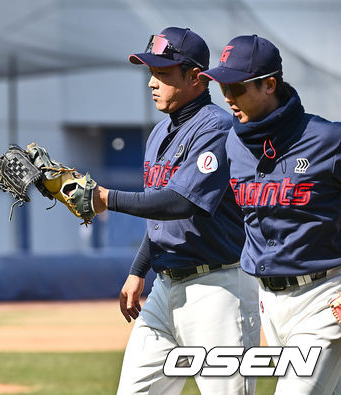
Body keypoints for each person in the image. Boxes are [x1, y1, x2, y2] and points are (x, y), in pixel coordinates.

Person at [89, 27, 260, 394]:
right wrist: (138, 270)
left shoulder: (216, 128)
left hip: (219, 288)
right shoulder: (159, 133)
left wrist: (107, 198)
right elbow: (160, 217)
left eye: (163, 74)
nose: (152, 83)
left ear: (196, 77)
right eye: (151, 73)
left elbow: (181, 202)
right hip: (166, 287)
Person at [199, 34, 341, 395]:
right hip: (269, 301)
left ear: (269, 84)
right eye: (223, 87)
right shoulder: (234, 142)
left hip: (325, 297)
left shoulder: (328, 139)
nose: (227, 98)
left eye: (236, 87)